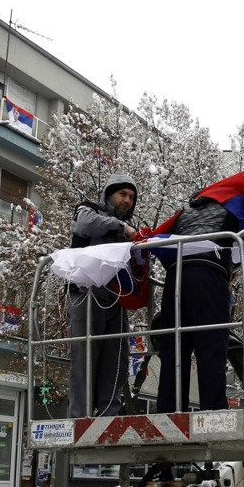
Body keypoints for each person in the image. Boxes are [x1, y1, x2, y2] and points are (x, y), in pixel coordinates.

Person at [155, 194, 239, 413]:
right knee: (211, 346)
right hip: (208, 274)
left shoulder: (183, 214)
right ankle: (213, 413)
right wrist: (229, 270)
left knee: (175, 347)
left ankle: (169, 412)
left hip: (176, 276)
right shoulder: (230, 209)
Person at [67, 173, 139, 417]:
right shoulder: (87, 210)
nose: (127, 200)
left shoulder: (127, 230)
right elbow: (85, 225)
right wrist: (120, 226)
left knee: (116, 361)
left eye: (131, 197)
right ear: (109, 194)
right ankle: (81, 417)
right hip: (87, 294)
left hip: (117, 298)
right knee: (85, 358)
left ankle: (108, 415)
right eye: (123, 194)